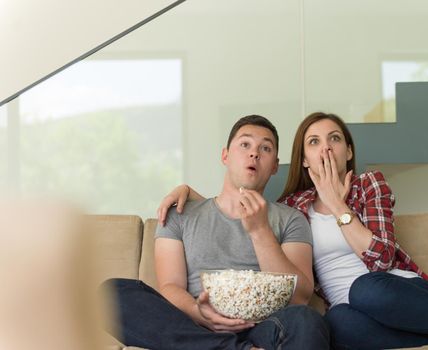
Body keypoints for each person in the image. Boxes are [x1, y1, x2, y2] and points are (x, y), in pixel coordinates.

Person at [158, 112, 428, 349]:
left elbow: (380, 259)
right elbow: (234, 203)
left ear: (348, 151)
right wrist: (189, 192)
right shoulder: (295, 206)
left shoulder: (369, 186)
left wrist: (337, 205)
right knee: (337, 324)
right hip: (353, 311)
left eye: (334, 139)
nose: (326, 148)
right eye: (314, 142)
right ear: (303, 159)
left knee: (365, 288)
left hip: (397, 290)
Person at [102, 115, 330, 350]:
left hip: (264, 326)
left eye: (266, 148)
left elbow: (300, 296)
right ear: (225, 156)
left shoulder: (290, 219)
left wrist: (260, 231)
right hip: (193, 325)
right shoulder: (180, 213)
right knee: (110, 293)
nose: (254, 153)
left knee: (306, 320)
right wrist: (199, 313)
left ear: (274, 166)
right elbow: (170, 285)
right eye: (245, 144)